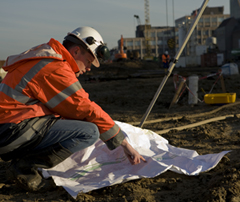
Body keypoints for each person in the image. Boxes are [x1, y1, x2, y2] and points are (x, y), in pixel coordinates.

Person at [0, 26, 146, 192]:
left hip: (9, 127)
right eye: (89, 61)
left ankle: (22, 161)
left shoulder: (45, 58)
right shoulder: (55, 68)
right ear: (76, 51)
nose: (89, 68)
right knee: (89, 132)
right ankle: (24, 168)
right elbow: (86, 108)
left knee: (68, 121)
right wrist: (124, 143)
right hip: (10, 131)